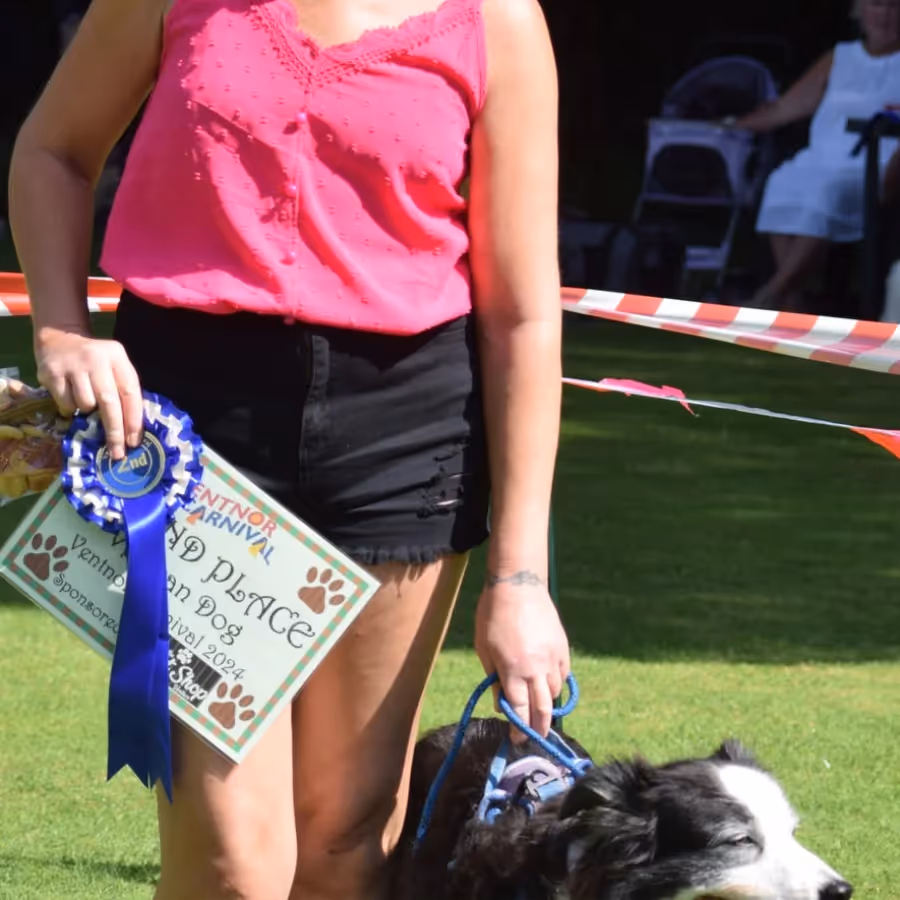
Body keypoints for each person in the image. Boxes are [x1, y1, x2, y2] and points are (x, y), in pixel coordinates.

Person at [7, 1, 570, 899]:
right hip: (192, 443)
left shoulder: (496, 18)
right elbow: (52, 152)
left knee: (346, 843)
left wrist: (522, 581)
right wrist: (62, 330)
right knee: (233, 864)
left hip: (404, 442)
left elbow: (524, 316)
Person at [736, 0, 900, 310]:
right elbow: (785, 108)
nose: (887, 15)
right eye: (878, 5)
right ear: (860, 12)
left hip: (876, 161)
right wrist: (730, 125)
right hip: (822, 156)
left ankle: (772, 293)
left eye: (895, 7)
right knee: (782, 182)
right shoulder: (839, 57)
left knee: (825, 192)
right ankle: (793, 304)